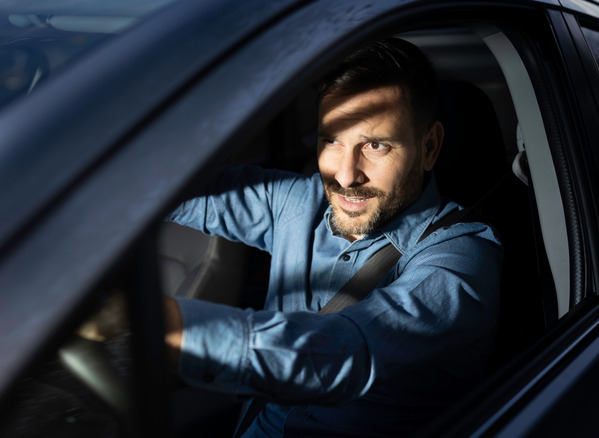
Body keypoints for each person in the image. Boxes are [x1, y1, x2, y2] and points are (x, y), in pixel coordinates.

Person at [163, 37, 503, 437]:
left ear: (428, 148)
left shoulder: (461, 256)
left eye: (375, 145)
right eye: (332, 140)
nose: (344, 176)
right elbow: (173, 191)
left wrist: (161, 323)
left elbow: (343, 352)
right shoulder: (299, 201)